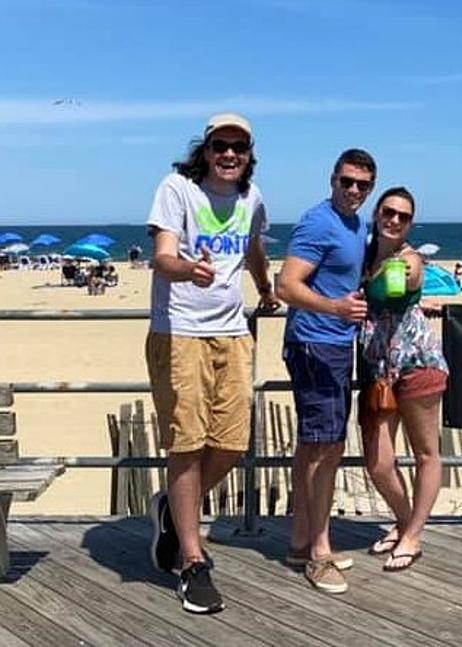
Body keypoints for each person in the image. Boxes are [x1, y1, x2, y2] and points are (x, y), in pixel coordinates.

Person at [145, 113, 278, 614]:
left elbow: (254, 247)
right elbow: (162, 256)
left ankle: (170, 509)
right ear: (205, 149)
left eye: (239, 148)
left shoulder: (251, 198)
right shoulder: (177, 189)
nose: (229, 155)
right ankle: (192, 559)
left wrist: (265, 290)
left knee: (230, 443)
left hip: (233, 335)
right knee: (187, 444)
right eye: (221, 145)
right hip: (180, 332)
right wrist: (187, 270)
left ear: (249, 155)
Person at [276, 148, 376, 594]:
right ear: (332, 179)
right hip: (316, 344)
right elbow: (287, 285)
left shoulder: (356, 225)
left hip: (335, 345)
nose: (353, 190)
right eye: (346, 182)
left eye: (362, 185)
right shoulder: (318, 221)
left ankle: (301, 540)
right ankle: (319, 552)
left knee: (315, 446)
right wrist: (334, 308)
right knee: (325, 449)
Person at [358, 187, 448, 572]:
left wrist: (398, 282)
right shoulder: (362, 252)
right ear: (377, 213)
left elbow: (407, 282)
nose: (395, 220)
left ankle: (413, 536)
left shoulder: (408, 259)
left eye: (404, 216)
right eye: (389, 212)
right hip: (378, 370)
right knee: (378, 462)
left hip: (417, 363)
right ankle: (405, 519)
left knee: (425, 452)